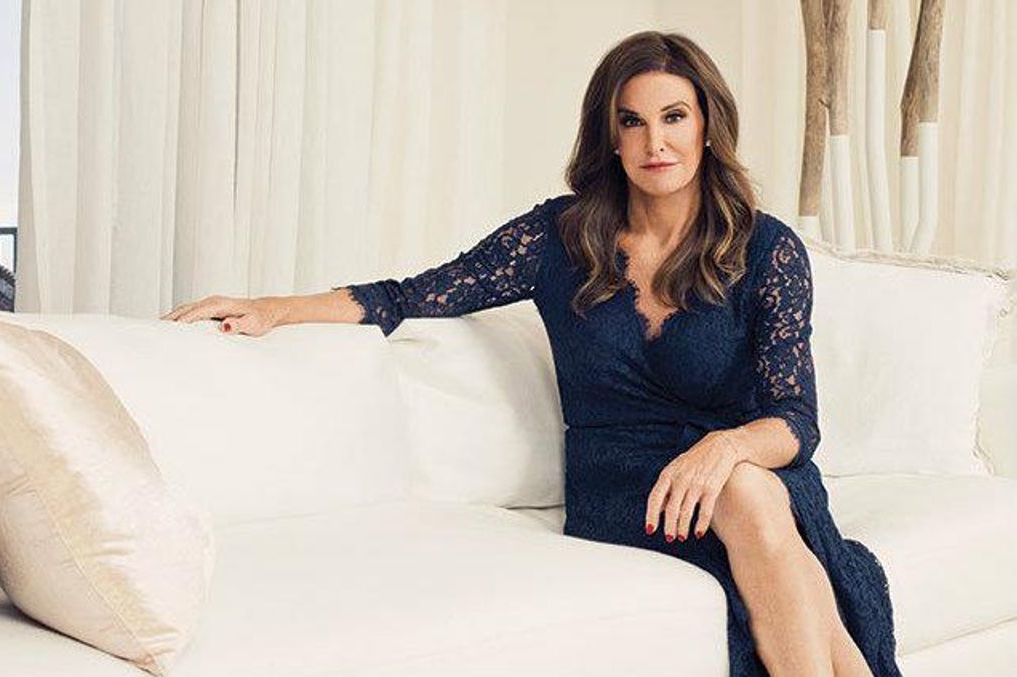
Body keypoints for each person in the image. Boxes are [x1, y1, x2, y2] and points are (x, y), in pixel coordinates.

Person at [162, 30, 900, 677]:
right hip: (623, 485)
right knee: (772, 528)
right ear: (610, 137)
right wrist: (275, 308)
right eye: (633, 122)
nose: (656, 143)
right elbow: (412, 294)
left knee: (755, 496)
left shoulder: (766, 249)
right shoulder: (559, 237)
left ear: (708, 125)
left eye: (675, 117)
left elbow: (795, 419)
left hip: (745, 472)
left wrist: (724, 448)